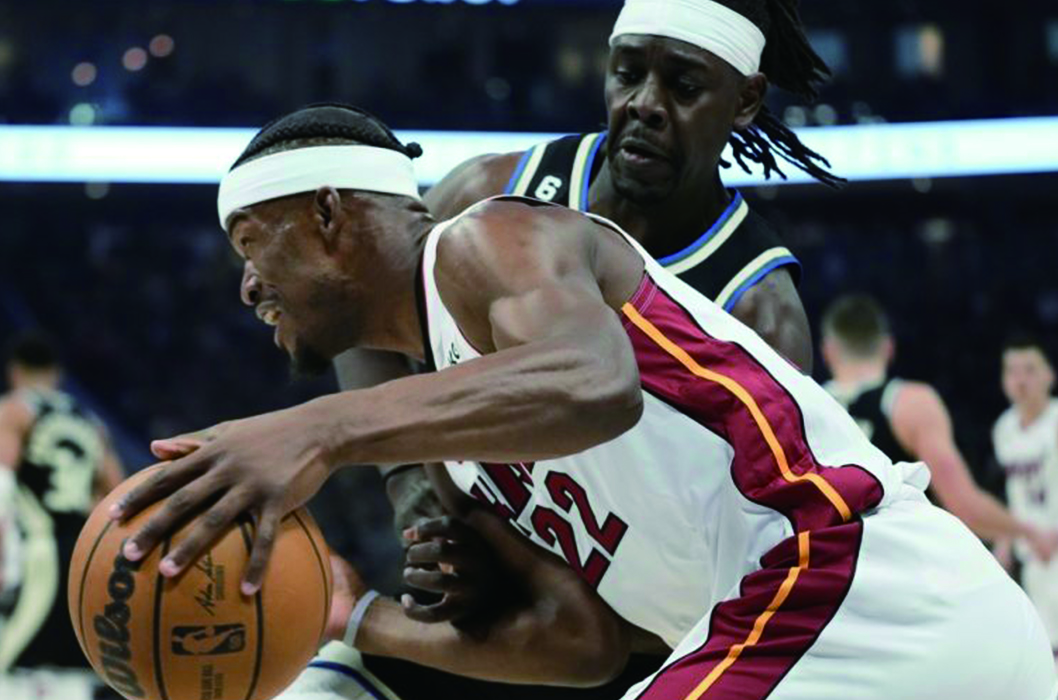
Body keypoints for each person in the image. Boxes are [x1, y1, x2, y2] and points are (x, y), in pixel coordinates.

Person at [112, 102, 1056, 699]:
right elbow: (586, 643)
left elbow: (596, 384)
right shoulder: (462, 430)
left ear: (327, 214)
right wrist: (356, 622)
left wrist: (317, 432)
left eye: (252, 243)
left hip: (847, 582)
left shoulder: (485, 243)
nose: (246, 286)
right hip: (813, 636)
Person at [326, 0, 835, 539]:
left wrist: (529, 571)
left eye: (684, 87)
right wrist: (409, 481)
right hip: (473, 535)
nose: (645, 104)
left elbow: (746, 542)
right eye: (628, 75)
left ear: (746, 100)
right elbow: (358, 304)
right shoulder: (493, 190)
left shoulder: (758, 315)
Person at [820, 295, 1058, 560]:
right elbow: (965, 506)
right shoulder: (909, 403)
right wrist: (1028, 532)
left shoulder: (805, 408)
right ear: (888, 347)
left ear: (828, 350)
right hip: (896, 569)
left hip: (824, 572)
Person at [0, 331, 124, 697]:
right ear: (56, 374)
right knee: (72, 668)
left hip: (33, 550)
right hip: (81, 557)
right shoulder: (90, 422)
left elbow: (2, 481)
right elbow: (117, 495)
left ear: (15, 371)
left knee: (10, 663)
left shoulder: (16, 409)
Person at [994, 335, 1058, 659]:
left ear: (1050, 374)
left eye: (1030, 370)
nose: (1020, 380)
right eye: (1012, 371)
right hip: (1034, 556)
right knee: (1046, 651)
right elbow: (1013, 494)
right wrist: (1006, 539)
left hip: (1053, 544)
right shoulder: (1004, 428)